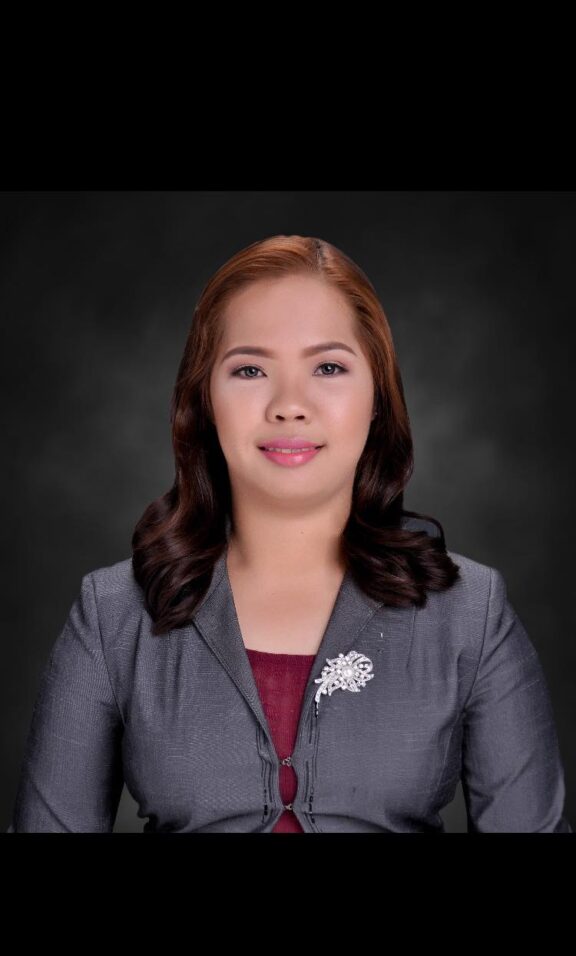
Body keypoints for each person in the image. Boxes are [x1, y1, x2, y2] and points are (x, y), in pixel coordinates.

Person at [6, 234, 572, 833]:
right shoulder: (113, 615)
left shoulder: (471, 613)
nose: (289, 405)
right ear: (205, 400)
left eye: (328, 367)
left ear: (377, 398)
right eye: (250, 369)